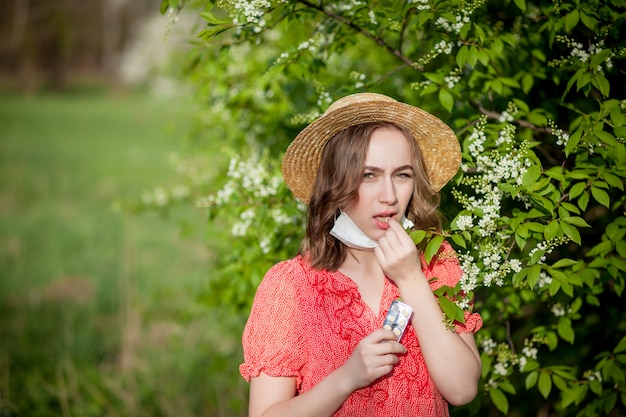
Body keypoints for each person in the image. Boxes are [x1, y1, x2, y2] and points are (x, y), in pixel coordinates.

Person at [239, 92, 483, 417]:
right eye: (369, 175)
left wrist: (411, 278)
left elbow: (463, 388)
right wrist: (346, 378)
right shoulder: (291, 286)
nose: (390, 197)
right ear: (335, 185)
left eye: (402, 175)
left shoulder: (437, 262)